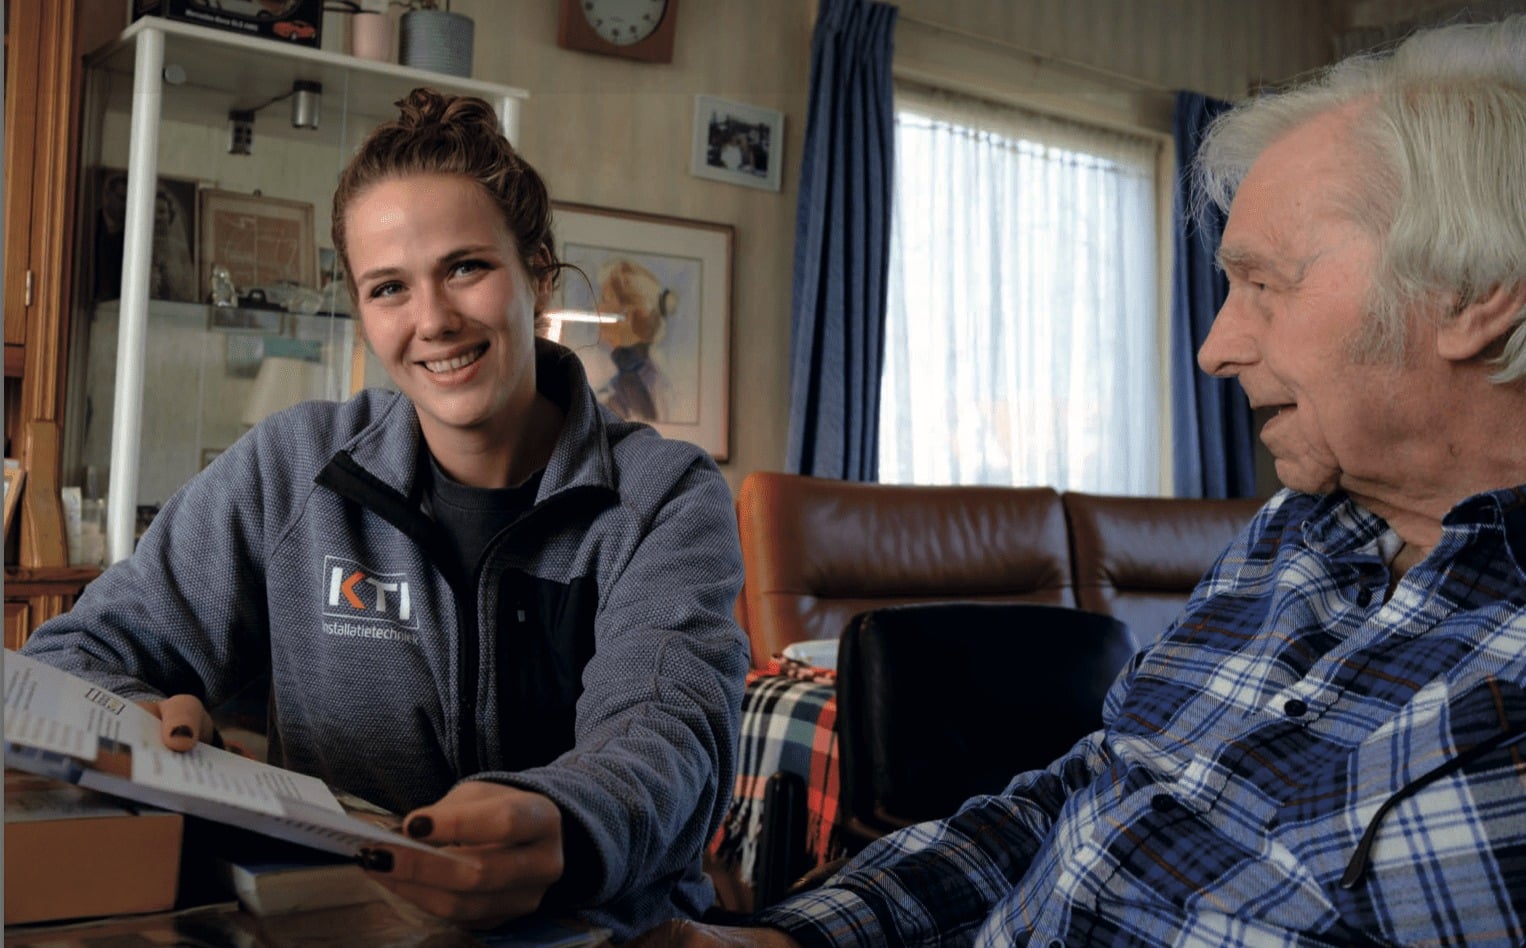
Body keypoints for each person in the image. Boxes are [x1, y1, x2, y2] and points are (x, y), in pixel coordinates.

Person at [632, 14, 1526, 947]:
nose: (1216, 348)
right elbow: (1081, 794)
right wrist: (790, 938)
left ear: (1474, 292)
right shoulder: (1289, 540)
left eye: (1265, 285)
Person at [21, 88, 750, 942]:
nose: (433, 320)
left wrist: (559, 822)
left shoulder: (664, 495)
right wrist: (132, 718)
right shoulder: (290, 468)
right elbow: (72, 655)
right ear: (363, 312)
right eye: (389, 288)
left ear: (539, 275)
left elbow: (668, 731)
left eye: (467, 268)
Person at [594, 256, 677, 423]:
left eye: (605, 300)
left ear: (628, 315)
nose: (598, 309)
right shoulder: (624, 382)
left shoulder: (638, 387)